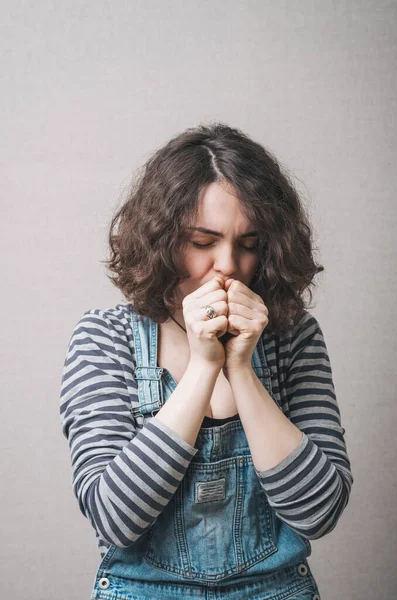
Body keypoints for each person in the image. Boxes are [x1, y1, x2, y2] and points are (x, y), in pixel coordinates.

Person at [59, 122, 353, 600]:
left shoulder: (292, 338)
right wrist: (202, 368)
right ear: (162, 241)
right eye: (203, 242)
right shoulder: (104, 338)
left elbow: (320, 512)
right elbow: (114, 518)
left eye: (249, 243)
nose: (229, 264)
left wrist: (241, 368)